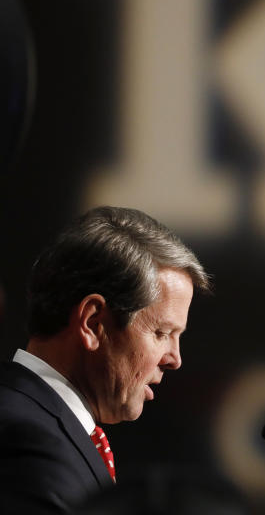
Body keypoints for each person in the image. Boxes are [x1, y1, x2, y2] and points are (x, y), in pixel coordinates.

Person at [0, 206, 211, 512]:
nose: (175, 359)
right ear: (93, 323)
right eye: (162, 332)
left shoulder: (39, 424)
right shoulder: (29, 446)